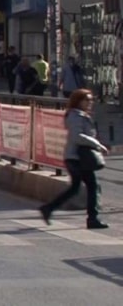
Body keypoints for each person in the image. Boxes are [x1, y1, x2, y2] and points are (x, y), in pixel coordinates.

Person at [39, 89, 109, 229]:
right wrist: (97, 144)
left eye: (91, 100)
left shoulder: (80, 115)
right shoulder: (75, 116)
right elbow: (77, 136)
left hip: (78, 157)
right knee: (92, 186)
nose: (90, 102)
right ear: (78, 101)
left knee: (76, 188)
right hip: (77, 157)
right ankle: (92, 218)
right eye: (86, 100)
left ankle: (49, 208)